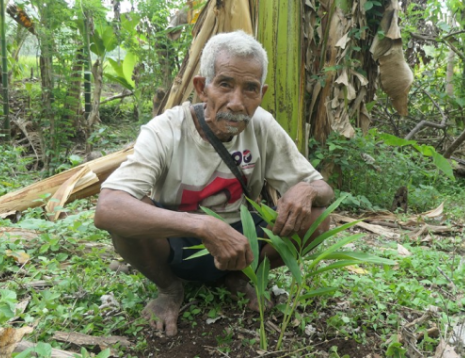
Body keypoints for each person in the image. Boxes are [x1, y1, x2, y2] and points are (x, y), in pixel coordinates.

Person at [94, 31, 334, 337]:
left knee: (317, 216)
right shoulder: (167, 130)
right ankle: (169, 289)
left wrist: (308, 189)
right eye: (224, 84)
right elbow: (108, 208)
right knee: (126, 216)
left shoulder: (262, 126)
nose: (236, 102)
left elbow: (325, 190)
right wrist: (203, 226)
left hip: (243, 239)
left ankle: (239, 277)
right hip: (175, 242)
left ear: (262, 93)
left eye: (250, 89)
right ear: (201, 87)